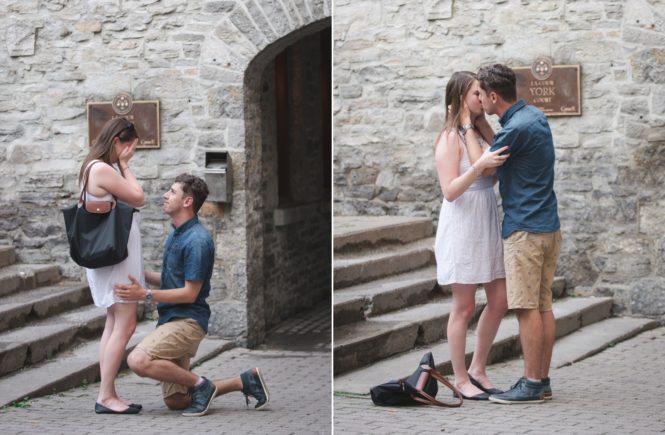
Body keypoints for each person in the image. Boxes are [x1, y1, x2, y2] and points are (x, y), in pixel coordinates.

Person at [113, 174, 269, 417]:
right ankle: (244, 381)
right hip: (171, 319)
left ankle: (201, 386)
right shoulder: (176, 232)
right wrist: (134, 272)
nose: (165, 195)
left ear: (187, 201)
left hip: (187, 322)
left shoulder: (197, 240)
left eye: (172, 192)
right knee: (176, 400)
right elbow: (170, 279)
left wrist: (145, 294)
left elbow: (189, 293)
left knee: (138, 361)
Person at [476, 64, 561, 404]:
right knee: (543, 306)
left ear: (493, 96)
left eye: (481, 94)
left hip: (524, 231)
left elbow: (482, 170)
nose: (479, 99)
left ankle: (530, 383)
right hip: (549, 228)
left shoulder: (513, 132)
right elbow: (504, 141)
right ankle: (542, 381)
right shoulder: (534, 117)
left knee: (526, 309)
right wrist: (483, 123)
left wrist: (470, 129)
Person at [433, 71, 510, 401]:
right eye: (477, 94)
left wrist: (478, 127)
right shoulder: (451, 137)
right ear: (461, 97)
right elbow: (449, 191)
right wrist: (478, 170)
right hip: (463, 222)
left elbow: (496, 162)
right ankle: (460, 378)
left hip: (486, 218)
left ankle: (479, 368)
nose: (483, 98)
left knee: (500, 300)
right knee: (463, 307)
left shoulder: (476, 131)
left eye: (483, 93)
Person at [79, 117, 145, 414]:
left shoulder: (92, 165)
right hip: (115, 257)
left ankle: (107, 392)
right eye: (128, 145)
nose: (130, 151)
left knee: (114, 321)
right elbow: (138, 197)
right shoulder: (103, 168)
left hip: (111, 256)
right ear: (118, 141)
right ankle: (105, 396)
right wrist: (126, 165)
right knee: (126, 322)